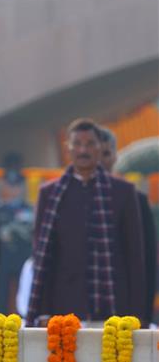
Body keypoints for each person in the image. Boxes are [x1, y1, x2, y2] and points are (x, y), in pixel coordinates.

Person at [27, 118, 146, 327]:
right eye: (77, 144)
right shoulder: (50, 194)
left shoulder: (123, 192)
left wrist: (139, 315)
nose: (83, 150)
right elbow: (42, 257)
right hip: (63, 311)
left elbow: (135, 258)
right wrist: (43, 311)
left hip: (114, 310)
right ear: (68, 148)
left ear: (100, 148)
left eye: (90, 143)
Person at [98, 125, 157, 325]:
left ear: (114, 157)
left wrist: (144, 315)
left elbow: (147, 262)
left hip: (123, 310)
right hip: (76, 312)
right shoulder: (64, 199)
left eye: (105, 154)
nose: (99, 161)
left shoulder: (136, 201)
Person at [0, 162, 34, 314]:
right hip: (2, 261)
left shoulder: (29, 209)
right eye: (9, 186)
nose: (12, 190)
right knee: (1, 299)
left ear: (21, 187)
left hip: (22, 259)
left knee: (25, 297)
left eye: (16, 186)